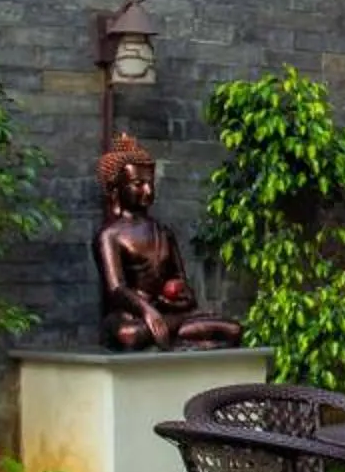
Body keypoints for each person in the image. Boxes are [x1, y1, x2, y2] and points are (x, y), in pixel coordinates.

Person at [94, 135, 241, 351]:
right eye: (138, 184)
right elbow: (116, 289)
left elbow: (180, 281)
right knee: (129, 335)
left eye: (150, 183)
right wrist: (147, 311)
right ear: (117, 189)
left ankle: (177, 337)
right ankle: (188, 339)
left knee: (233, 329)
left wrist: (180, 298)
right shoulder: (110, 235)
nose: (148, 191)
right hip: (130, 317)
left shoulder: (163, 232)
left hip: (168, 312)